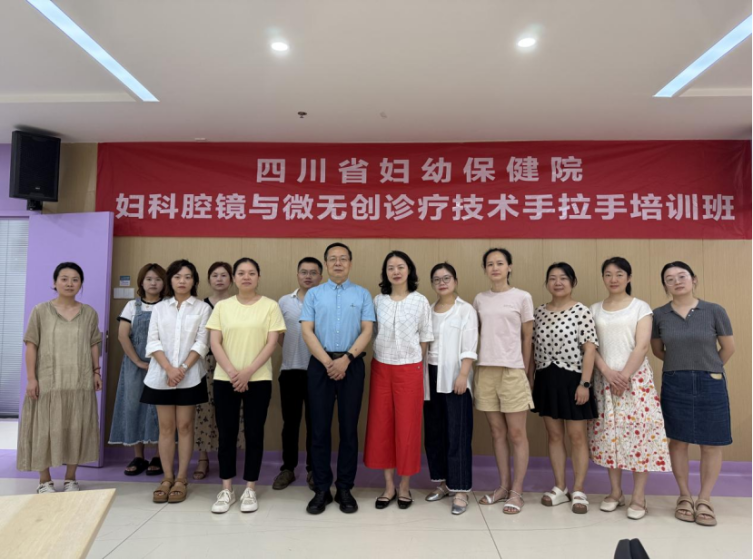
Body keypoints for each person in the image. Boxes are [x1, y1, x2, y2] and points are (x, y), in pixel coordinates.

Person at [651, 261, 735, 527]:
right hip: (675, 382)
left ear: (694, 279)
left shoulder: (714, 310)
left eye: (682, 276)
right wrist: (682, 365)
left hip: (711, 381)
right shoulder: (659, 315)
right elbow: (658, 350)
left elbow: (728, 348)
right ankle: (684, 496)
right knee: (678, 441)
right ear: (664, 285)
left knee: (711, 443)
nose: (677, 281)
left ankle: (705, 498)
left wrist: (708, 367)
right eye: (670, 279)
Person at [589, 257, 671, 520]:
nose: (613, 279)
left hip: (635, 381)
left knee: (639, 436)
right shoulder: (594, 309)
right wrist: (607, 372)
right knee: (610, 435)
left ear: (629, 277)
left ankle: (638, 496)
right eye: (608, 274)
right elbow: (591, 347)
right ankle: (615, 492)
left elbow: (642, 346)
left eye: (619, 274)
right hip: (604, 380)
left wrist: (623, 376)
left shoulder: (640, 307)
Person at [206, 258, 286, 514]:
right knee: (226, 434)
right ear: (234, 278)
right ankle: (226, 489)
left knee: (254, 433)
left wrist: (248, 372)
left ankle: (250, 488)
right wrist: (233, 372)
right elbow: (215, 342)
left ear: (258, 277)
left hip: (258, 379)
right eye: (241, 273)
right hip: (225, 378)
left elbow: (272, 343)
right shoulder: (222, 307)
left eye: (252, 273)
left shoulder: (270, 306)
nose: (246, 277)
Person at [301, 242, 375, 515]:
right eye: (332, 259)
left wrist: (346, 359)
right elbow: (307, 331)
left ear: (350, 263)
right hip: (320, 365)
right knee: (319, 429)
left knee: (349, 429)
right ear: (326, 264)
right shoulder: (314, 294)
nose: (338, 263)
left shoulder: (363, 294)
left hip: (351, 365)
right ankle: (321, 488)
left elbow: (367, 330)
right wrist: (327, 362)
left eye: (343, 258)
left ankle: (345, 487)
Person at [17, 262, 103, 493]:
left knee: (76, 428)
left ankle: (70, 478)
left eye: (75, 279)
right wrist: (31, 378)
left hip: (79, 382)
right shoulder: (40, 311)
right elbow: (31, 345)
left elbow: (94, 344)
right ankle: (44, 481)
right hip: (48, 382)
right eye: (64, 279)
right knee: (44, 430)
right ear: (54, 283)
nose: (69, 283)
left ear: (81, 284)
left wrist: (96, 372)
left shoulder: (89, 313)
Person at [365, 251, 433, 510]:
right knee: (382, 426)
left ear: (409, 270)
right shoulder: (378, 300)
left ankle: (404, 486)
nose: (396, 271)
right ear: (385, 272)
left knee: (407, 428)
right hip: (381, 368)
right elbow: (372, 333)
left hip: (409, 370)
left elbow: (425, 337)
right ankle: (389, 486)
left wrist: (413, 364)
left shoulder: (420, 301)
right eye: (391, 267)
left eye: (401, 266)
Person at [140, 259, 212, 504]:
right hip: (161, 375)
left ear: (194, 281)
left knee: (185, 426)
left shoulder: (202, 308)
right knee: (166, 428)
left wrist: (181, 369)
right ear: (170, 280)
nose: (182, 281)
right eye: (178, 276)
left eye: (188, 277)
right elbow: (153, 341)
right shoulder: (160, 308)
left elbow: (202, 343)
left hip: (190, 376)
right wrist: (169, 369)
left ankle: (182, 478)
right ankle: (167, 477)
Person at [532, 262, 598, 514]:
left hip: (573, 380)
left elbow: (589, 349)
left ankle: (579, 489)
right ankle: (560, 486)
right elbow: (531, 347)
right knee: (554, 436)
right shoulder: (539, 312)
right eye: (552, 278)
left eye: (563, 278)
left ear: (572, 282)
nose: (557, 282)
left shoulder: (581, 311)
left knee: (577, 436)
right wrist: (530, 379)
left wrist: (585, 384)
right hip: (546, 379)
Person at [473, 248, 534, 514]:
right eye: (490, 264)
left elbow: (527, 338)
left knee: (517, 433)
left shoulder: (522, 297)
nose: (495, 268)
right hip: (486, 370)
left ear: (509, 267)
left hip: (513, 371)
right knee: (497, 432)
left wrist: (525, 372)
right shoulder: (480, 299)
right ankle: (503, 486)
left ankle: (517, 491)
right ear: (485, 269)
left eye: (500, 263)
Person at [423, 263, 477, 515]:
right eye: (437, 279)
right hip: (429, 376)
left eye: (446, 278)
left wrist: (463, 375)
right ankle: (444, 483)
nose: (442, 283)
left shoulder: (465, 310)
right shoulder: (428, 310)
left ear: (455, 281)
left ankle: (461, 489)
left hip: (455, 376)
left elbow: (470, 345)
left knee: (458, 434)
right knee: (435, 432)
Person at [109, 263, 166, 477]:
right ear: (141, 282)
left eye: (158, 279)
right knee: (133, 406)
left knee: (160, 409)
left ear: (164, 283)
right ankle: (138, 456)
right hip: (135, 366)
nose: (153, 283)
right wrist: (139, 362)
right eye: (149, 279)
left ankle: (159, 456)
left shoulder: (169, 306)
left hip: (162, 365)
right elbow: (123, 336)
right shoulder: (132, 306)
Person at [273, 257, 323, 491]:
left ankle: (314, 469)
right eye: (304, 272)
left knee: (316, 424)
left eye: (313, 272)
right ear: (297, 275)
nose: (308, 276)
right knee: (290, 423)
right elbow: (278, 334)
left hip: (319, 372)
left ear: (320, 277)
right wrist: (293, 351)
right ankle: (288, 469)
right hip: (290, 370)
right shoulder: (284, 301)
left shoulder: (325, 301)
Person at [193, 262, 245, 480]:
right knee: (203, 409)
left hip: (233, 363)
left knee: (232, 411)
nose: (219, 279)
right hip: (205, 362)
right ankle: (203, 458)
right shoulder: (201, 306)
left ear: (231, 279)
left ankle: (231, 459)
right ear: (208, 279)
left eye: (224, 275)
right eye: (215, 275)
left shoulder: (238, 303)